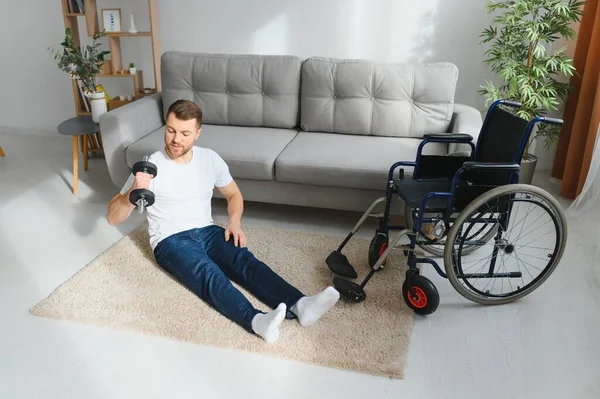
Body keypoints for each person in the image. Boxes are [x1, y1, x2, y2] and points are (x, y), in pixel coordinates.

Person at [106, 99, 340, 343]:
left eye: (185, 133)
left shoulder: (210, 159)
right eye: (171, 130)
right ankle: (256, 321)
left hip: (208, 230)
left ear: (198, 133)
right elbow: (112, 217)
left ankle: (300, 305)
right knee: (208, 273)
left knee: (244, 261)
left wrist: (234, 222)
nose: (176, 139)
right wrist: (132, 193)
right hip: (170, 239)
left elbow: (233, 194)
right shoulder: (149, 166)